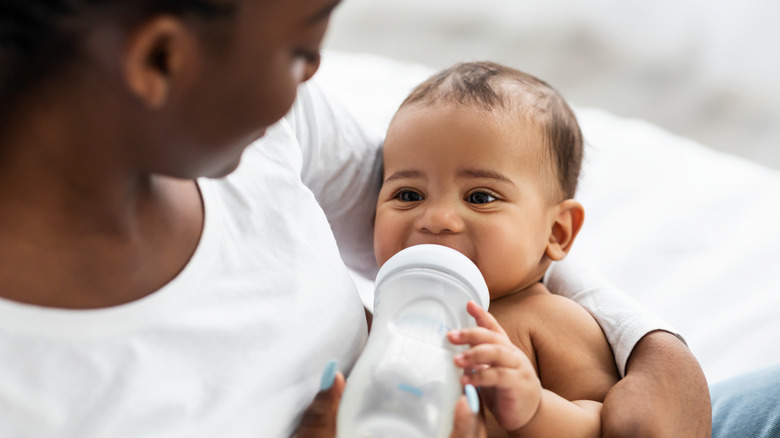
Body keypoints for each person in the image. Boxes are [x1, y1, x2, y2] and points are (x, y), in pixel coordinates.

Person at [0, 0, 713, 437]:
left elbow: (459, 227)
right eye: (300, 51)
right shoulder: (36, 392)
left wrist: (652, 347)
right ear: (162, 58)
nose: (312, 80)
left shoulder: (264, 135)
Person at [373, 61, 620, 437]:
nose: (437, 218)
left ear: (556, 232)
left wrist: (533, 408)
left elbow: (604, 425)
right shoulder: (390, 315)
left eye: (480, 197)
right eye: (409, 194)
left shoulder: (552, 319)